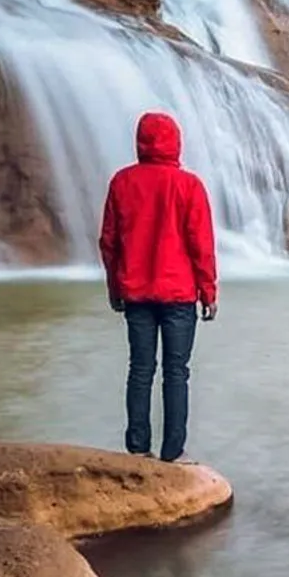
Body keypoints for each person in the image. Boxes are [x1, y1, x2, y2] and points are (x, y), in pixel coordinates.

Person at [98, 111, 218, 463]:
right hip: (179, 295)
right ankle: (173, 453)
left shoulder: (122, 182)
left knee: (140, 370)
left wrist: (113, 287)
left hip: (135, 292)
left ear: (139, 141)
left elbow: (109, 242)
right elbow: (201, 244)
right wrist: (208, 291)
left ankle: (138, 450)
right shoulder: (189, 186)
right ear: (176, 141)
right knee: (176, 373)